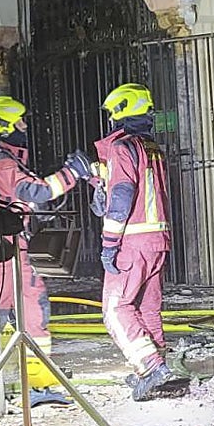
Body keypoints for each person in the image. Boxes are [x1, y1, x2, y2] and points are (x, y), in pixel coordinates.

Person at [0, 96, 92, 407]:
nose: (24, 127)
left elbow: (22, 197)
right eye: (19, 121)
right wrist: (72, 173)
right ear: (4, 124)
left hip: (3, 248)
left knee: (10, 314)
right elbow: (36, 190)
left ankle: (25, 384)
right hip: (7, 252)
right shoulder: (1, 161)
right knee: (28, 312)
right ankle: (31, 386)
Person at [92, 83, 180, 401]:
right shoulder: (151, 148)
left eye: (112, 113)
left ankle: (151, 367)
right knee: (147, 308)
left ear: (122, 111)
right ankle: (158, 371)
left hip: (133, 241)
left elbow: (121, 196)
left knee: (116, 309)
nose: (110, 120)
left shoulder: (122, 148)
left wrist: (109, 244)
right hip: (158, 239)